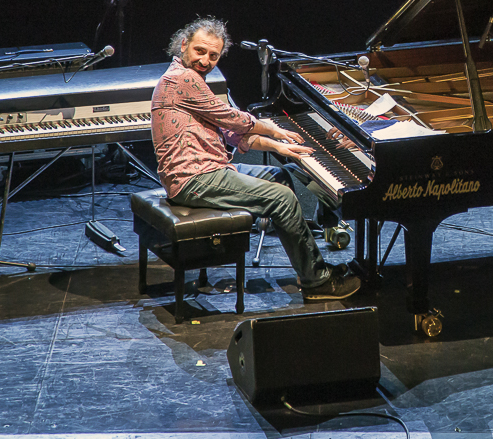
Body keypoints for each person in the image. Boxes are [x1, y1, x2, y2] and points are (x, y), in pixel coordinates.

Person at [150, 16, 361, 301]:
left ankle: (309, 260)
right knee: (283, 198)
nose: (205, 60)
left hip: (212, 169)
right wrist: (272, 128)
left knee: (282, 174)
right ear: (184, 45)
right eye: (200, 51)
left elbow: (231, 133)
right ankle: (317, 282)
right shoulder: (181, 79)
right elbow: (233, 118)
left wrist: (278, 147)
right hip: (194, 179)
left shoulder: (193, 82)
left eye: (213, 55)